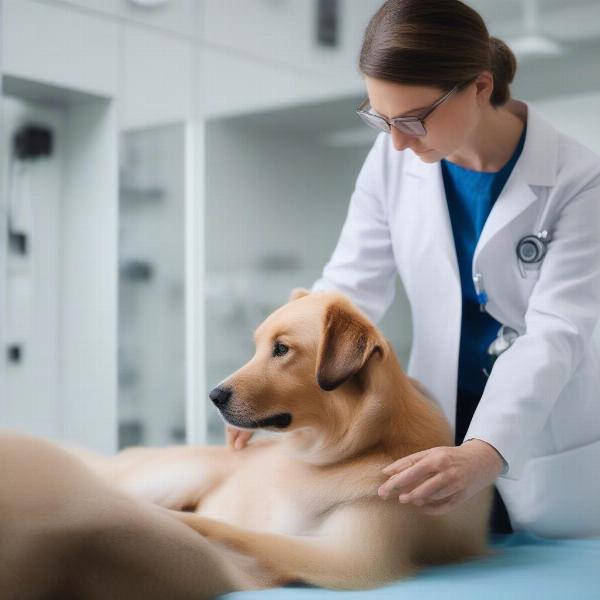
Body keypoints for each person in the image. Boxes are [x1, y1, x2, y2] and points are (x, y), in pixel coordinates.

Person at [228, 0, 600, 539]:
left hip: (541, 436)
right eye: (380, 118)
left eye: (414, 119)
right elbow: (347, 292)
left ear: (478, 85)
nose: (397, 140)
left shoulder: (579, 180)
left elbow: (557, 331)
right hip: (433, 426)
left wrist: (485, 449)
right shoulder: (391, 160)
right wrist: (276, 388)